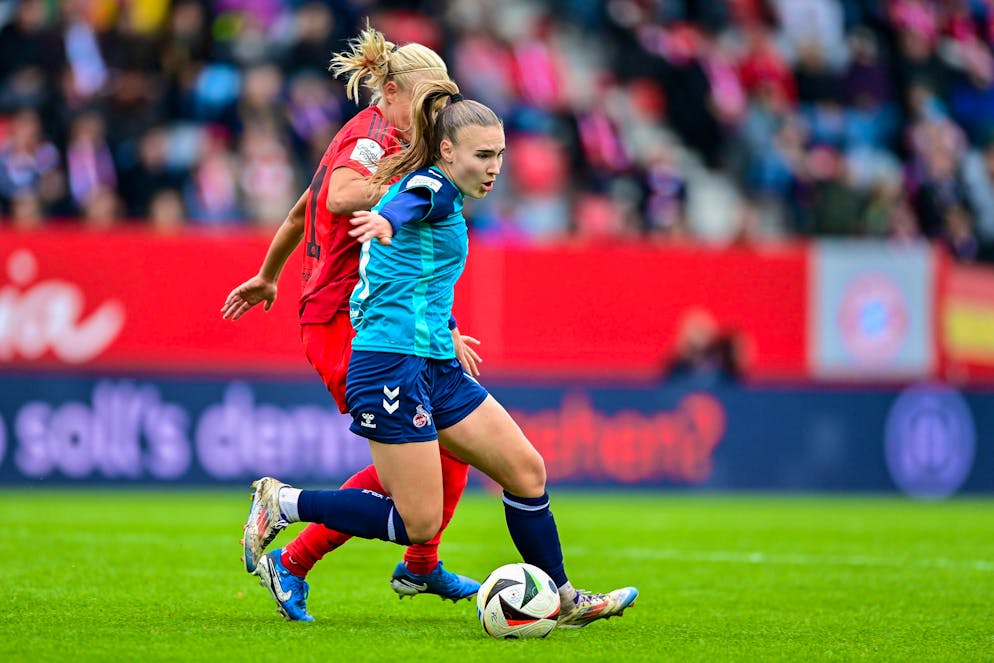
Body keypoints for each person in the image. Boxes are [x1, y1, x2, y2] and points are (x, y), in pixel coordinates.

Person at [242, 78, 639, 628]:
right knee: (418, 522)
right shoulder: (433, 183)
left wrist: (447, 326)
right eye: (483, 155)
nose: (495, 166)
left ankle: (567, 601)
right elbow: (416, 198)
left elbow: (420, 269)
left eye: (500, 154)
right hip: (389, 366)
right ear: (448, 150)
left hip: (435, 365)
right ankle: (283, 503)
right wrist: (387, 216)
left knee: (526, 471)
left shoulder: (440, 183)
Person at [222, 24, 480, 622]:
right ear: (392, 90)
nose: (434, 115)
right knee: (414, 454)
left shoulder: (390, 136)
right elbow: (337, 196)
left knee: (453, 445)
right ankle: (291, 556)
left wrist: (268, 274)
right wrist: (406, 182)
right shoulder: (371, 135)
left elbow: (300, 209)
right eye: (427, 102)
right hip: (346, 321)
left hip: (385, 318)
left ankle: (420, 566)